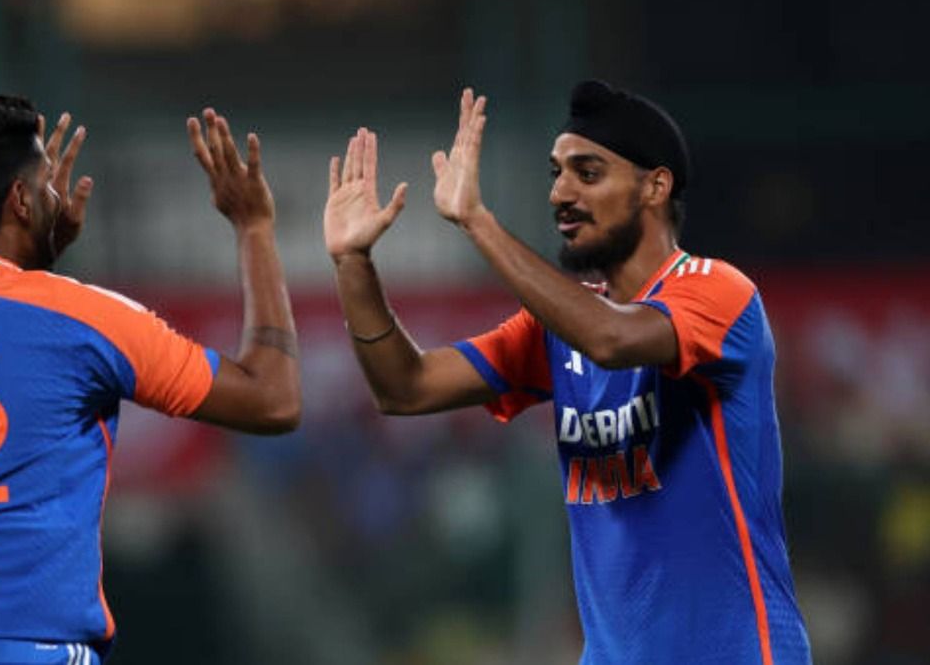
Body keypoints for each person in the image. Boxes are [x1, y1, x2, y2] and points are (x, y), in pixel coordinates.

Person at [323, 81, 811, 664]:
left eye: (588, 172)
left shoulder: (717, 292)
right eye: (556, 173)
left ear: (655, 186)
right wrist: (353, 263)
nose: (560, 193)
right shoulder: (557, 328)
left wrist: (478, 222)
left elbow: (611, 338)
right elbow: (407, 388)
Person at [0, 95, 300, 664]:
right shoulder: (79, 320)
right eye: (45, 187)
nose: (60, 197)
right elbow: (273, 399)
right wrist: (253, 226)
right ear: (21, 201)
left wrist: (32, 263)